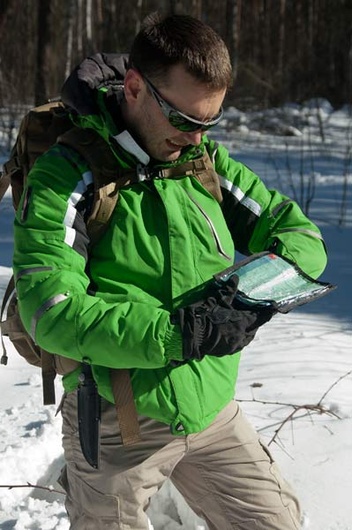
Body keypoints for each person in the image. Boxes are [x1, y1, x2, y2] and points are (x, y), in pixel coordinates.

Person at [13, 12, 327, 530]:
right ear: (135, 88)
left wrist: (254, 293)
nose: (197, 137)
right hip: (119, 417)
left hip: (210, 403)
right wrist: (180, 333)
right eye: (185, 120)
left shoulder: (201, 164)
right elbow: (52, 310)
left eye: (210, 122)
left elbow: (298, 233)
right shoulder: (68, 176)